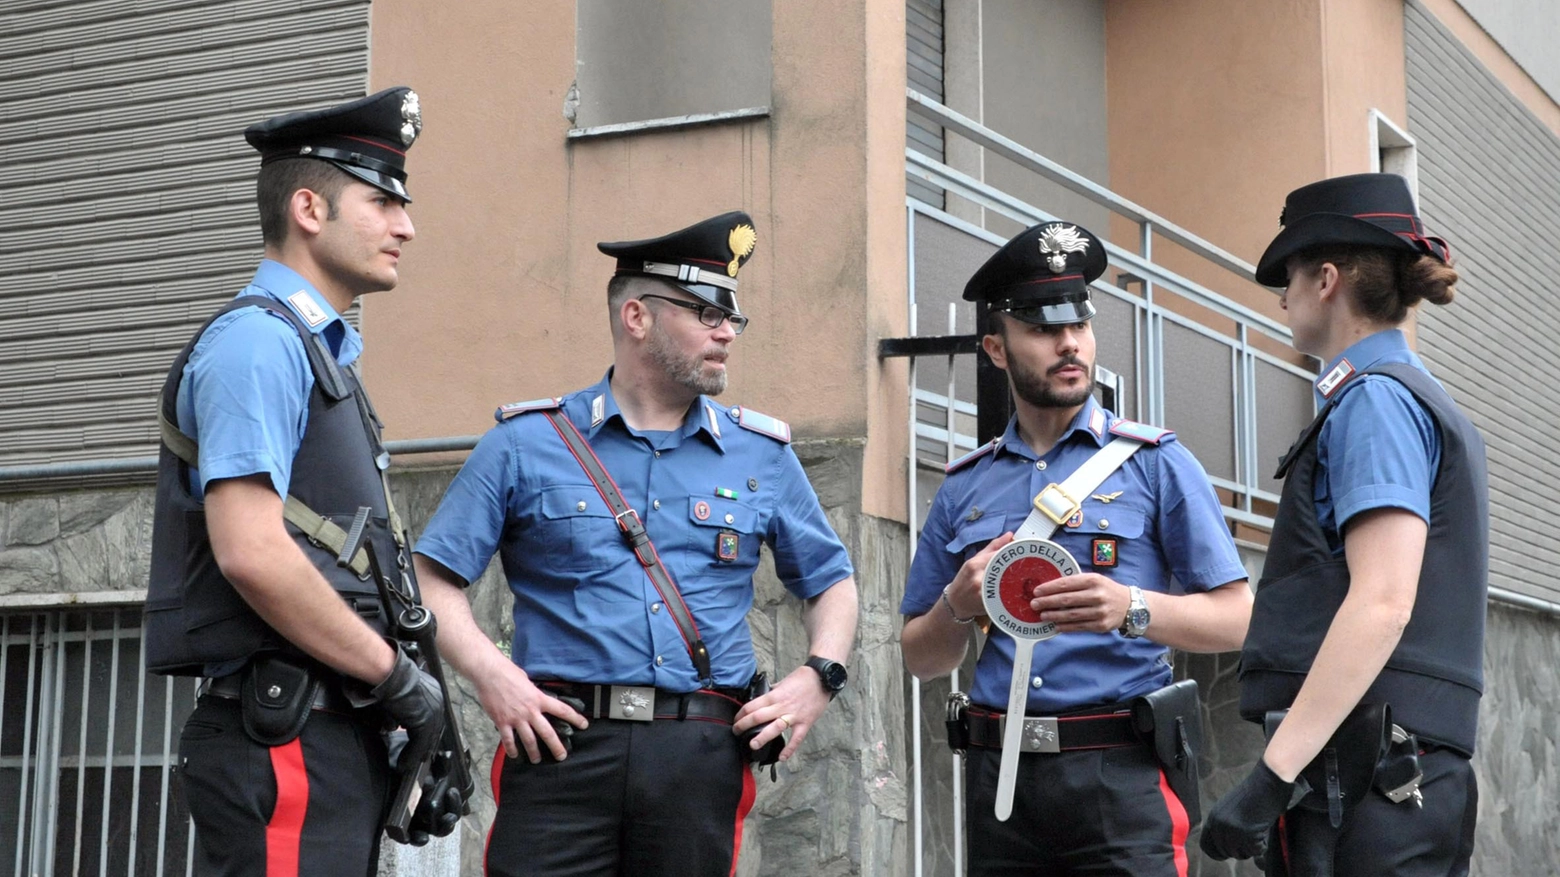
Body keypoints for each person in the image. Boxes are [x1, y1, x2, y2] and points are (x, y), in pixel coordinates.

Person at [412, 210, 860, 877]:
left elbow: (831, 580)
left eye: (732, 317)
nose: (725, 332)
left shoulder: (760, 453)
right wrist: (493, 675)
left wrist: (817, 678)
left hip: (699, 753)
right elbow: (430, 577)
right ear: (637, 317)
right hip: (560, 746)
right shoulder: (526, 442)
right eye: (705, 312)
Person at [144, 88, 449, 875]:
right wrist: (396, 680)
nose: (406, 226)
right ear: (309, 208)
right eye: (383, 201)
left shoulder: (317, 353)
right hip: (285, 733)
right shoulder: (261, 345)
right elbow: (252, 551)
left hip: (319, 729)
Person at [899, 220, 1253, 876]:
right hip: (1000, 781)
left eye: (1079, 326)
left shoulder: (1156, 464)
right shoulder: (963, 484)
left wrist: (1131, 607)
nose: (1069, 344)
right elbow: (920, 656)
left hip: (1121, 777)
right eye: (1042, 328)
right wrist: (956, 602)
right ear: (996, 349)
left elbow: (1239, 616)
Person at [1202, 173, 1486, 875]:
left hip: (1370, 787)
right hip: (1393, 777)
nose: (1282, 296)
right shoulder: (1418, 396)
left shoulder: (1374, 403)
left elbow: (1383, 600)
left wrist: (1270, 777)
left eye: (1291, 277)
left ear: (1327, 279)